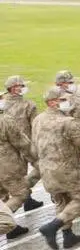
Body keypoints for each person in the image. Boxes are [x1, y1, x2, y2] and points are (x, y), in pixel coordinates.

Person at [34, 87, 80, 250]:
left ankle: (67, 235)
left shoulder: (38, 119)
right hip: (67, 169)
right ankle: (54, 225)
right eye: (63, 100)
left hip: (46, 169)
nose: (68, 102)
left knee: (61, 200)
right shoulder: (67, 122)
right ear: (52, 102)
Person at [0, 97, 37, 239]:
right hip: (7, 166)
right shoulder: (5, 120)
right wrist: (35, 160)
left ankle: (11, 229)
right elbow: (22, 143)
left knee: (2, 196)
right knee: (20, 194)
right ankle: (4, 221)